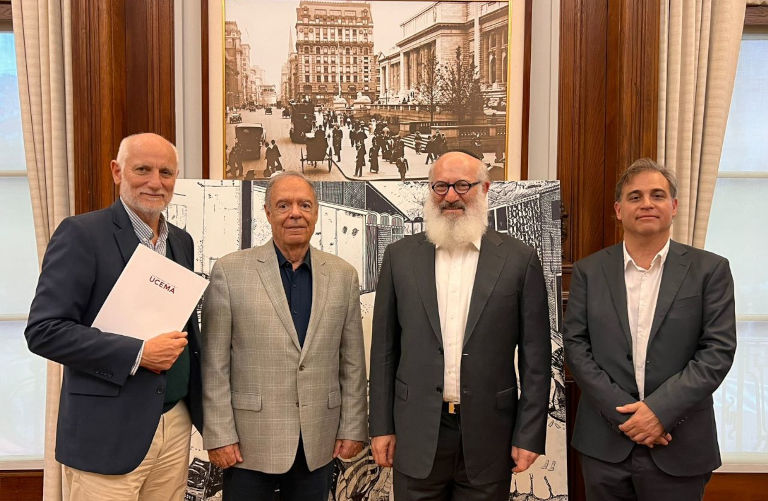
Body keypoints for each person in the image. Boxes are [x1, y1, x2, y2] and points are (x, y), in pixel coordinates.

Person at [25, 133, 203, 501]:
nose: (156, 182)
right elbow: (44, 331)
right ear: (116, 171)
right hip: (105, 432)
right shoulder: (81, 235)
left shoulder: (181, 242)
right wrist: (138, 353)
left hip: (174, 422)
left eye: (166, 172)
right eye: (143, 170)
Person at [368, 150, 551, 500]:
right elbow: (383, 353)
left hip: (488, 436)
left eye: (462, 185)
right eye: (440, 186)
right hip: (417, 433)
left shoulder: (519, 260)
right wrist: (381, 427)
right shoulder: (399, 257)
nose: (450, 196)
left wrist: (528, 435)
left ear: (484, 189)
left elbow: (536, 361)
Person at [563, 158, 737, 501]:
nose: (646, 203)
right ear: (618, 209)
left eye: (657, 195)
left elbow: (716, 352)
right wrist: (628, 417)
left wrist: (659, 413)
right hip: (605, 444)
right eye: (635, 196)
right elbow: (576, 347)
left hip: (681, 442)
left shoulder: (710, 270)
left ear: (673, 207)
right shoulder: (589, 272)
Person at [201, 172, 368, 501]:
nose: (295, 213)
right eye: (283, 205)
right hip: (249, 445)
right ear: (267, 212)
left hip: (317, 442)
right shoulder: (230, 272)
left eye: (305, 205)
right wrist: (219, 434)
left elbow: (352, 363)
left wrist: (352, 427)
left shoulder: (343, 276)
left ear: (316, 212)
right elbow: (214, 364)